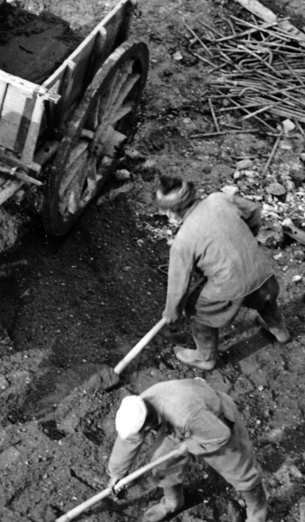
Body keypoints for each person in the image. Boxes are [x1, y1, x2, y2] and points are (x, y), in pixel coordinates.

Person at [157, 176, 288, 371]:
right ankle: (279, 330)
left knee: (197, 309)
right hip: (260, 267)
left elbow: (179, 285)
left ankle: (205, 356)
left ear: (172, 213)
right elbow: (253, 210)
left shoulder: (182, 242)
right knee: (264, 295)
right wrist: (245, 236)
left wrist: (172, 311)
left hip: (230, 283)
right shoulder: (220, 199)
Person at [105, 379, 269, 522]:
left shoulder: (185, 414)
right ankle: (173, 503)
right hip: (177, 426)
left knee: (241, 473)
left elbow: (220, 435)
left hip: (216, 422)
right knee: (161, 462)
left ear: (147, 424)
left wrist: (188, 445)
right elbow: (129, 440)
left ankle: (258, 514)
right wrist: (117, 473)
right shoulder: (138, 407)